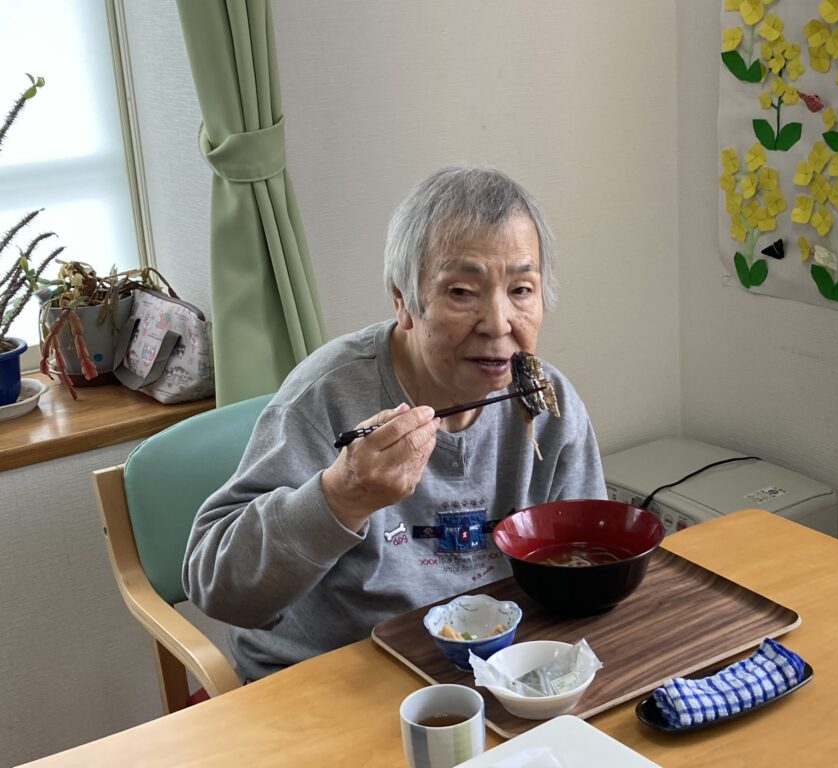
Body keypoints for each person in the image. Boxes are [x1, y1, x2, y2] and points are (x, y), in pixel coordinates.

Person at [183, 165, 606, 682]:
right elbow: (218, 588)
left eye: (521, 289)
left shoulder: (547, 405)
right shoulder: (326, 397)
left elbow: (587, 565)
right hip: (331, 674)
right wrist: (341, 497)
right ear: (403, 300)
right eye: (462, 291)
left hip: (490, 670)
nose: (499, 324)